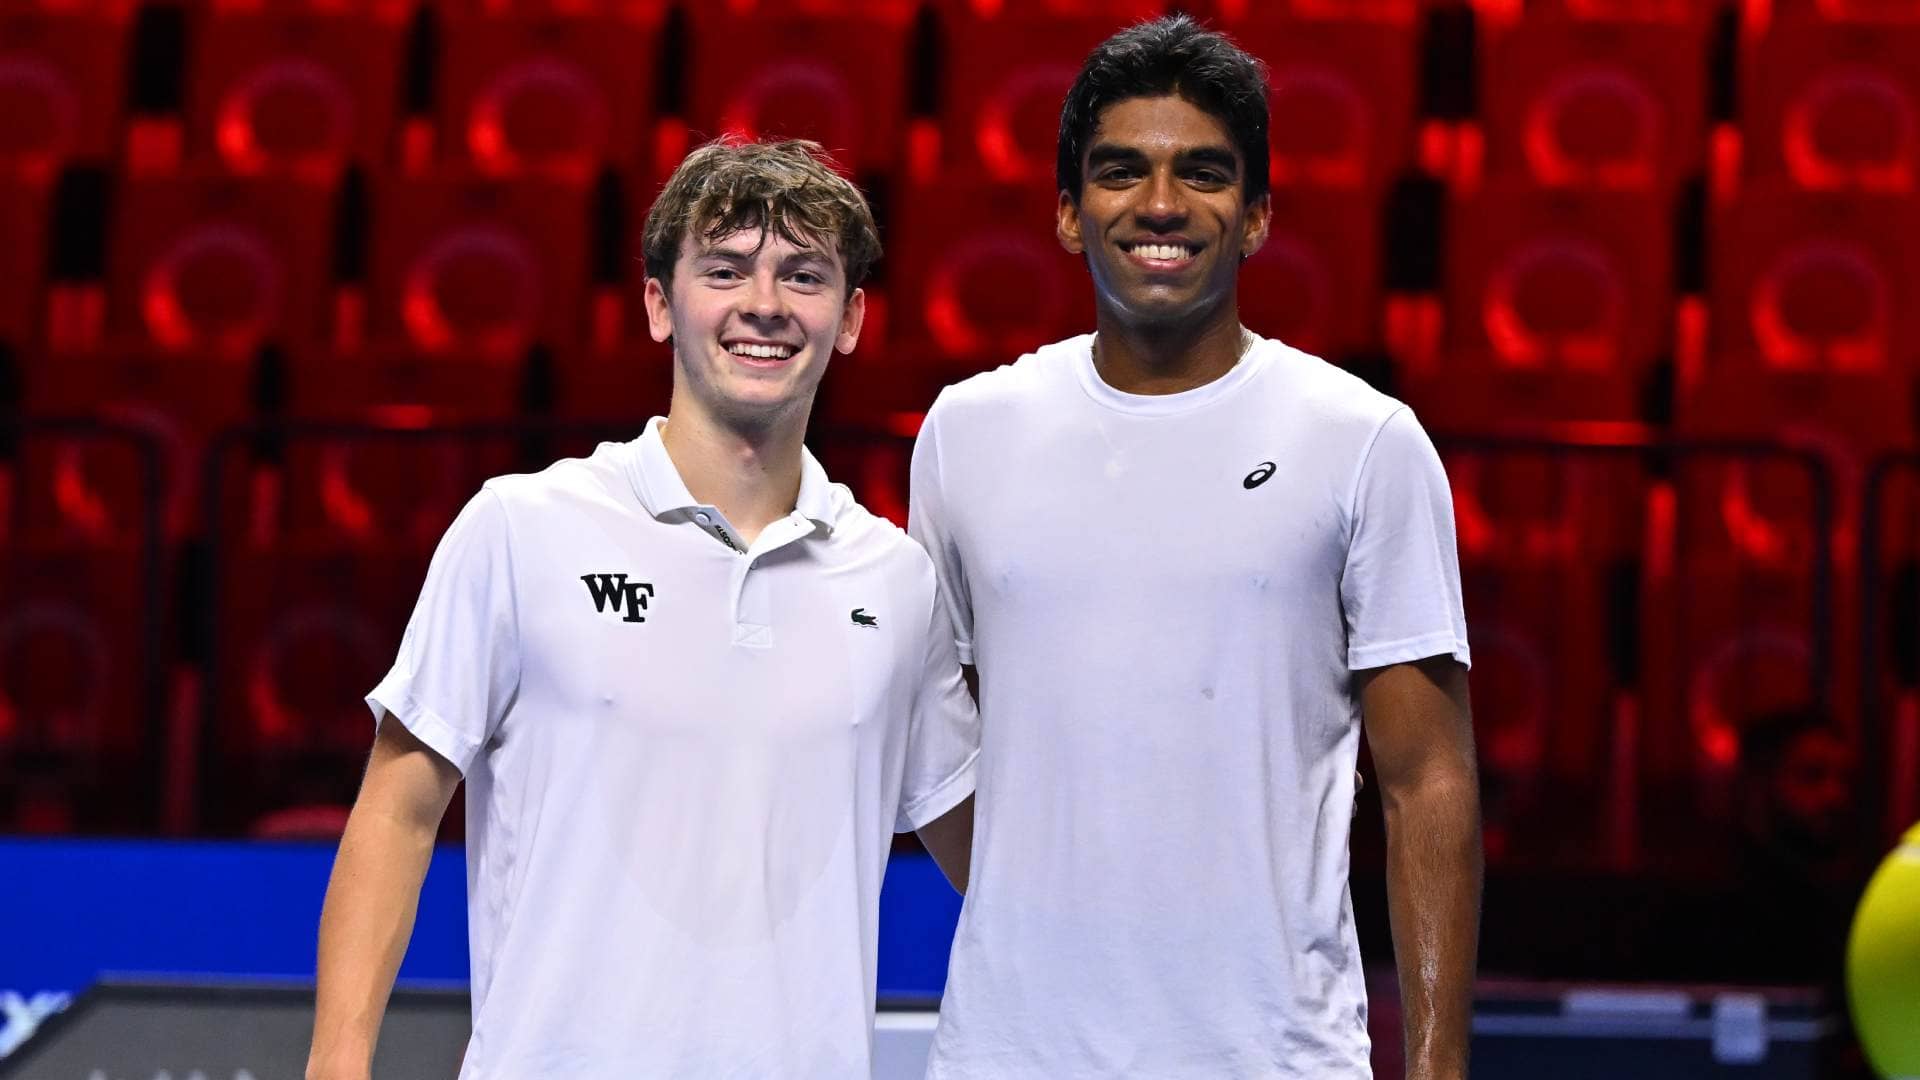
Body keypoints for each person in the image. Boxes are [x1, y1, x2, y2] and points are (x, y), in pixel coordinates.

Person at [306, 138, 978, 1080]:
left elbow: (988, 861)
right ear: (661, 304)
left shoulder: (895, 580)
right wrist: (336, 1064)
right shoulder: (521, 526)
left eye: (803, 275)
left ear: (853, 317)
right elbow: (400, 811)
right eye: (725, 269)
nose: (765, 305)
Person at [908, 16, 1480, 1078]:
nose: (1161, 205)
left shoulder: (1363, 442)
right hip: (1009, 1055)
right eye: (1121, 171)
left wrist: (1438, 1074)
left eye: (1202, 173)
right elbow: (936, 747)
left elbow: (1428, 781)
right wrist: (1049, 907)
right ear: (1071, 213)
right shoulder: (965, 436)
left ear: (1257, 215)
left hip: (1274, 1056)